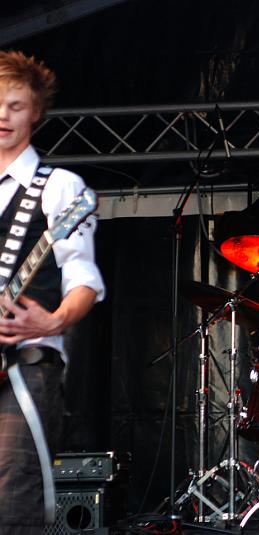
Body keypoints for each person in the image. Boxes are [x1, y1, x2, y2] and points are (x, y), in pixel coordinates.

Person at [0, 50, 105, 533]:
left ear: (35, 112)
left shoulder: (60, 188)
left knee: (12, 493)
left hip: (25, 367)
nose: (3, 115)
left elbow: (82, 279)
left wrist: (53, 320)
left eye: (16, 105)